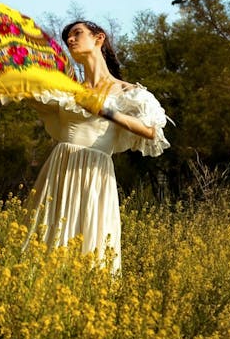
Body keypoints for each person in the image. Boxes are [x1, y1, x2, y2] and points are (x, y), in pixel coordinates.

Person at [26, 20, 170, 272]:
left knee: (90, 245)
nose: (70, 40)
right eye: (67, 37)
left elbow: (151, 131)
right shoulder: (66, 91)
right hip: (60, 169)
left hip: (95, 173)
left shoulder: (128, 92)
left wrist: (105, 112)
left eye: (77, 33)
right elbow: (24, 91)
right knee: (47, 243)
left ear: (98, 38)